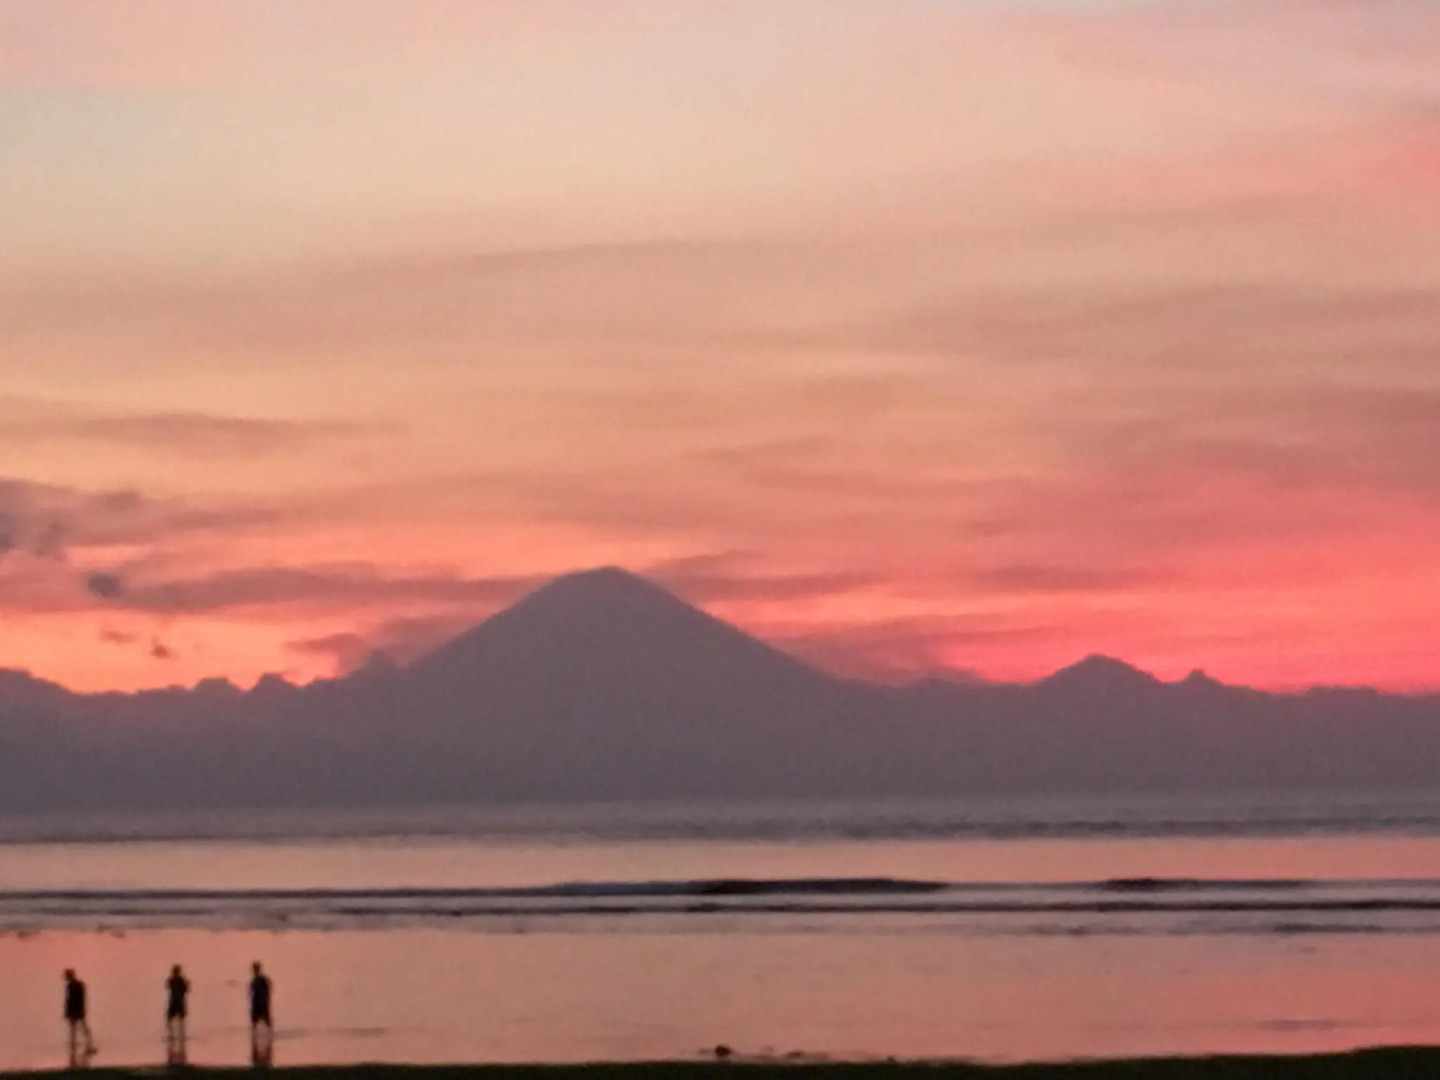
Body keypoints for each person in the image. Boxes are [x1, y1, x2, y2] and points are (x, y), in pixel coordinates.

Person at [63, 969, 96, 1067]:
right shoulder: (79, 985)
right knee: (81, 1026)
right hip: (78, 1009)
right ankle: (87, 1042)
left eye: (66, 976)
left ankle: (78, 1044)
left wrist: (67, 1011)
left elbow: (69, 1000)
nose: (65, 978)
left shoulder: (71, 986)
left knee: (76, 1027)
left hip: (75, 1009)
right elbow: (81, 998)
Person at [249, 962, 274, 1066]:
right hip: (257, 1004)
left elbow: (268, 990)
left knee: (266, 1023)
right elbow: (251, 993)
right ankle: (256, 1041)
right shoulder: (255, 981)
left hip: (261, 1004)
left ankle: (269, 1040)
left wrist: (266, 1001)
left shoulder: (261, 980)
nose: (254, 971)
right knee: (256, 1024)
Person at [165, 964, 190, 1064]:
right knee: (173, 1019)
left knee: (178, 1019)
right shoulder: (174, 980)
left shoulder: (176, 980)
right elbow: (185, 989)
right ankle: (175, 1036)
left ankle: (178, 1036)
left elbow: (185, 990)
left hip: (177, 1002)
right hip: (175, 1002)